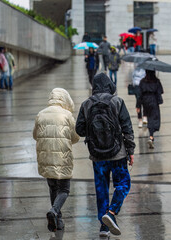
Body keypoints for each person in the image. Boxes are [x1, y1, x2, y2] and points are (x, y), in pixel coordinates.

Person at [75, 73, 135, 238]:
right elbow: (127, 128)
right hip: (118, 154)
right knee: (123, 184)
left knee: (101, 189)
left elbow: (79, 129)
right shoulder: (117, 102)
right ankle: (112, 211)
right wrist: (131, 151)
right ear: (110, 85)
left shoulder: (87, 104)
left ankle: (104, 227)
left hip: (97, 156)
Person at [33, 88, 80, 232]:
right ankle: (54, 211)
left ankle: (58, 222)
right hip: (62, 157)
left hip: (46, 156)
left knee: (53, 187)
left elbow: (35, 135)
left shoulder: (41, 114)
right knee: (64, 189)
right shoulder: (67, 115)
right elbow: (75, 137)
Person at [138, 70, 164, 149]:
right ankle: (151, 136)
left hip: (145, 102)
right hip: (154, 101)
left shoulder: (142, 81)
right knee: (154, 119)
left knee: (149, 118)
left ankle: (151, 135)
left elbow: (139, 94)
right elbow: (160, 91)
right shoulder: (156, 81)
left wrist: (138, 105)